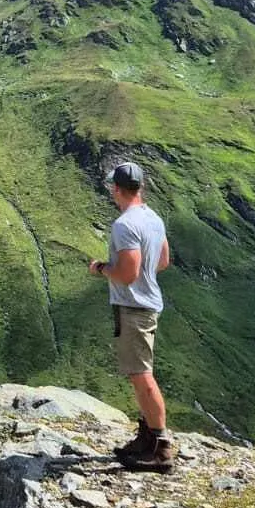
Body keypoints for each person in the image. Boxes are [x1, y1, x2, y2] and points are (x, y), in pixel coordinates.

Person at [88, 160, 174, 473]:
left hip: (134, 307)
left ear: (117, 189)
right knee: (141, 372)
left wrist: (101, 268)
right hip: (149, 304)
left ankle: (161, 447)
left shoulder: (124, 225)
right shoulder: (153, 218)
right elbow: (162, 261)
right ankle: (147, 438)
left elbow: (127, 273)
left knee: (141, 375)